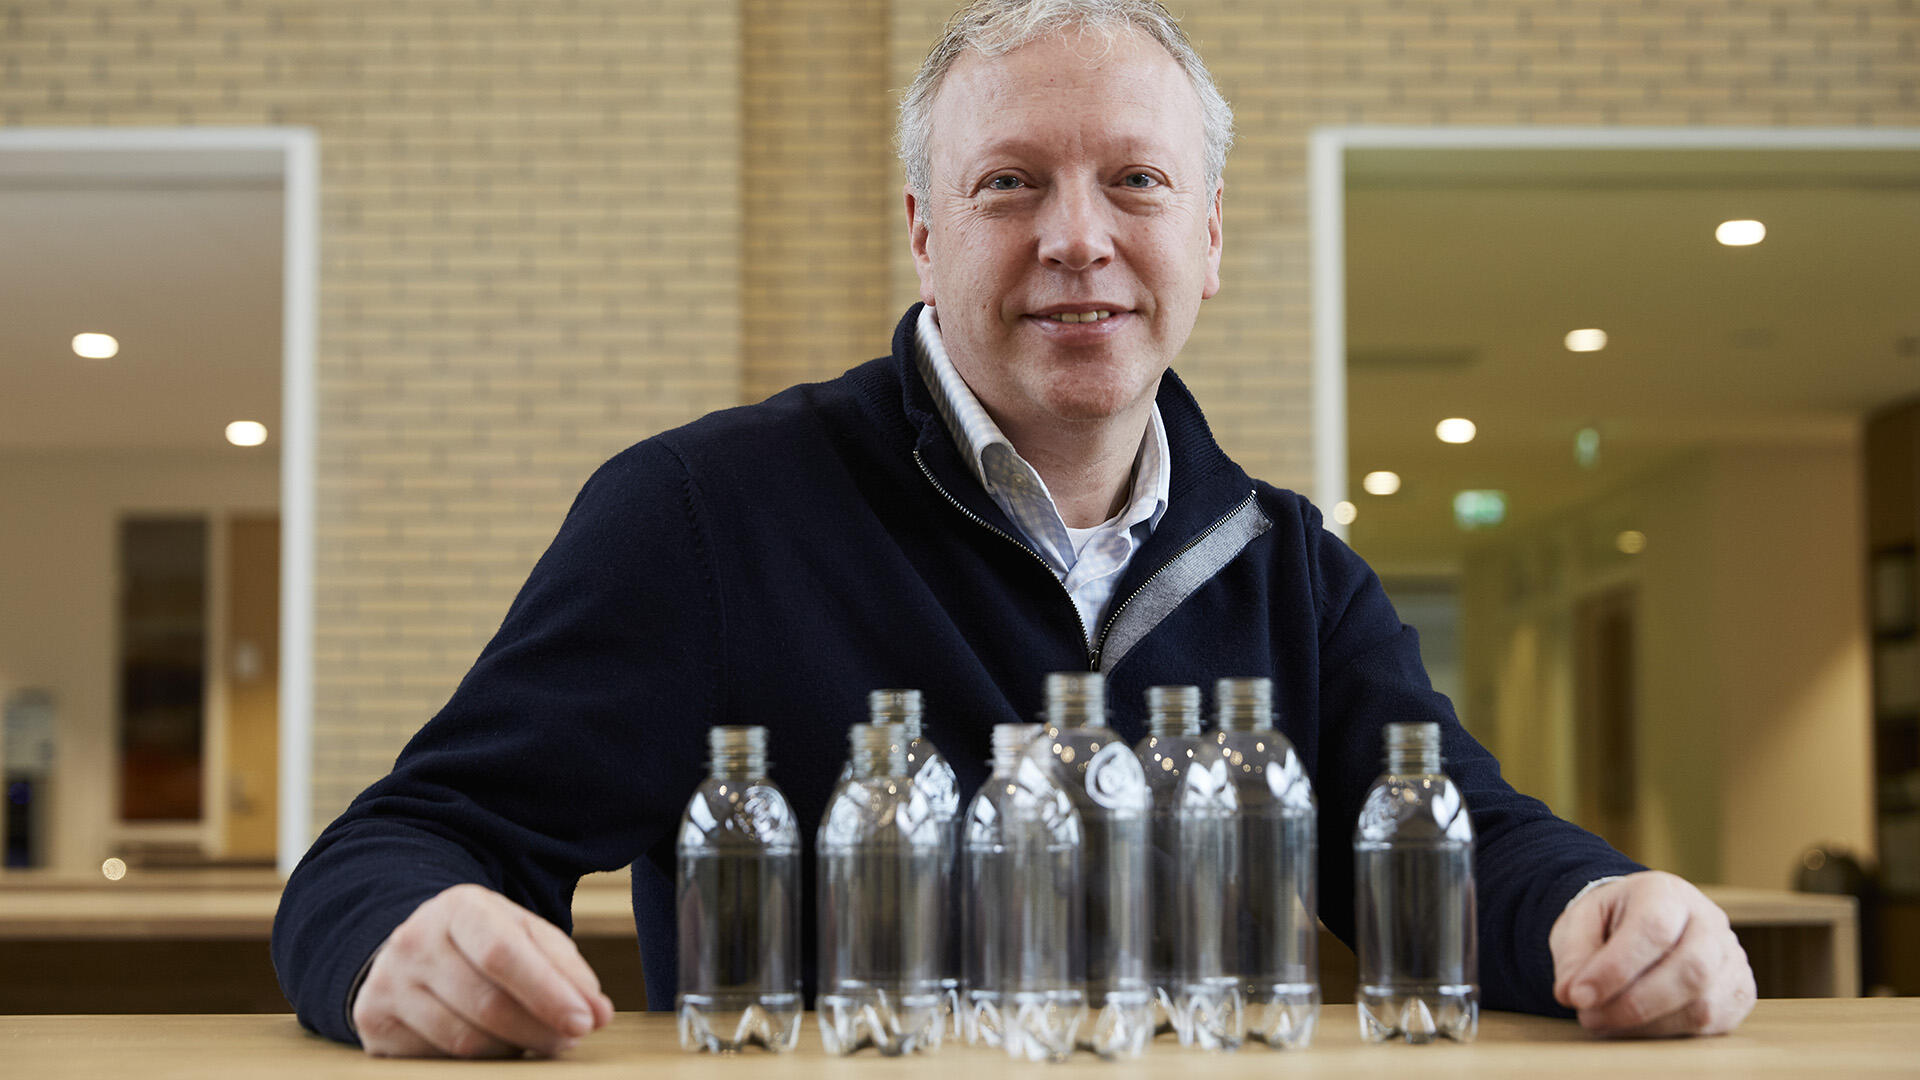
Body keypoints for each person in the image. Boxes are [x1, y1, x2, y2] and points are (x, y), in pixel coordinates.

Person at [271, 0, 1757, 1058]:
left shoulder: (1288, 566)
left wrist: (1609, 912)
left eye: (1136, 182)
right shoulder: (704, 517)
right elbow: (405, 844)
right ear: (926, 235)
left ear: (1209, 239)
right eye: (1010, 185)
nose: (1078, 239)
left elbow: (1464, 845)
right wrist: (404, 938)